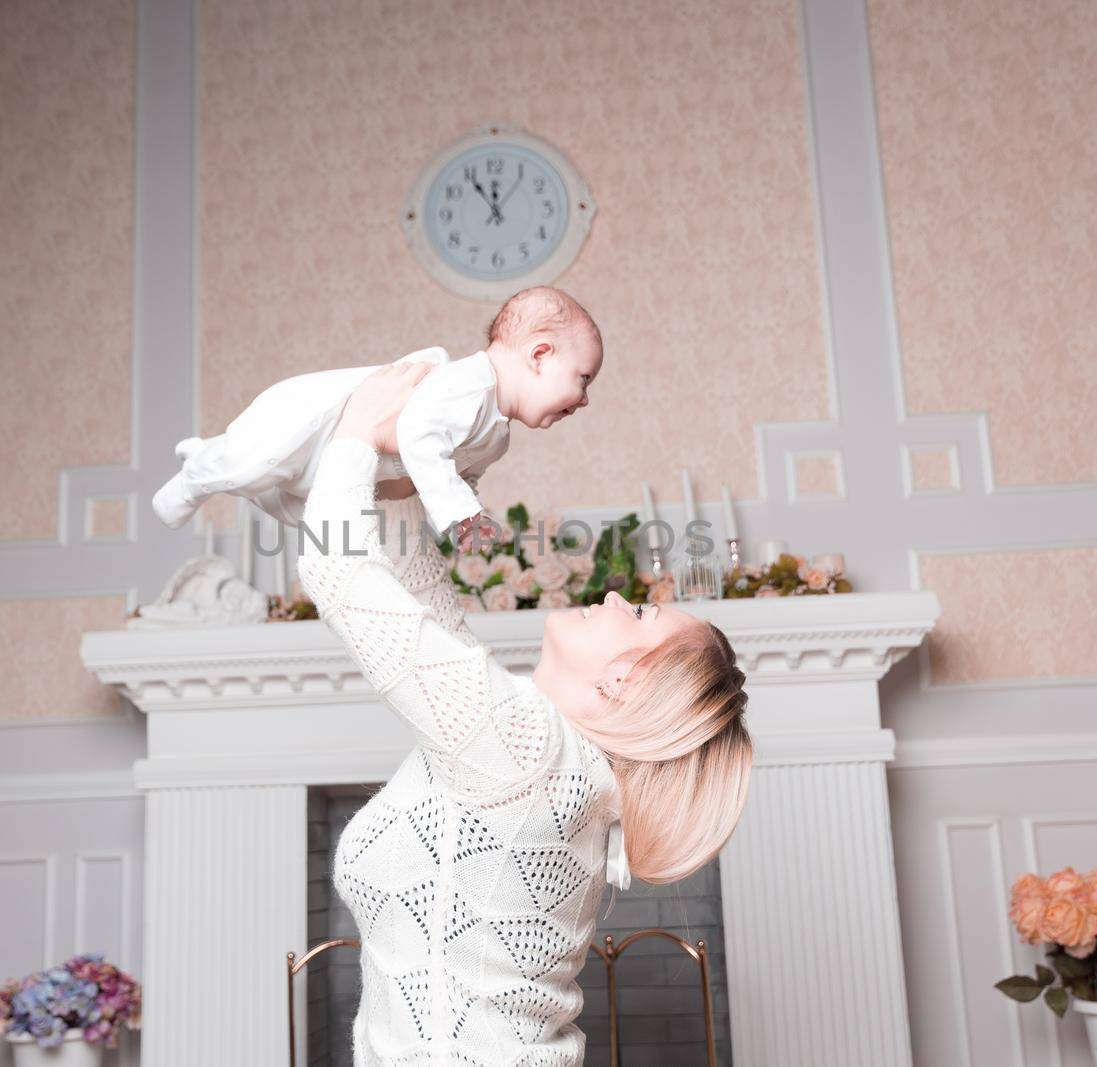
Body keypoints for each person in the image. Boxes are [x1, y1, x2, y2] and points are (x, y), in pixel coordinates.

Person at [294, 361, 754, 1065]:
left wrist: (355, 435)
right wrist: (398, 472)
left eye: (635, 612)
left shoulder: (530, 752)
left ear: (624, 680)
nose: (609, 598)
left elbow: (336, 573)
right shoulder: (551, 759)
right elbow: (424, 608)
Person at [151, 286, 603, 551]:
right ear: (540, 355)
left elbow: (458, 476)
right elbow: (419, 436)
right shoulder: (469, 383)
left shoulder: (498, 437)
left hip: (358, 466)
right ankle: (195, 475)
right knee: (256, 461)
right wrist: (459, 513)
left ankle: (210, 454)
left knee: (287, 496)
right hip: (326, 427)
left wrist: (469, 512)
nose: (583, 400)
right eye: (583, 378)